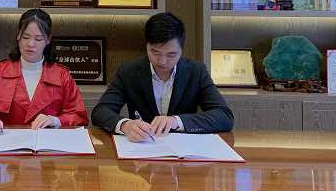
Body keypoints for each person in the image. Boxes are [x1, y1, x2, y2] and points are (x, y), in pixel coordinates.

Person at [91, 12, 234, 142]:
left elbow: (225, 116)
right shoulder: (128, 71)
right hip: (142, 148)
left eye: (171, 54)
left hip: (184, 150)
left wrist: (176, 121)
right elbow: (100, 112)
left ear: (181, 50)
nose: (162, 61)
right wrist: (125, 125)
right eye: (155, 52)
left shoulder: (197, 72)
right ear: (146, 45)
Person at [0, 8, 89, 133]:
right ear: (18, 35)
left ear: (48, 40)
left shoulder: (62, 77)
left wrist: (55, 120)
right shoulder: (0, 72)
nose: (30, 44)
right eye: (25, 37)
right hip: (7, 142)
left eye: (38, 39)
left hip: (46, 144)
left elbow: (78, 116)